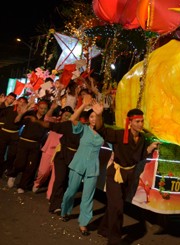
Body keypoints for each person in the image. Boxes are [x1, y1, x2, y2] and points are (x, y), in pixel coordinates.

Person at [97, 108, 160, 244]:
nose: (140, 124)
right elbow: (102, 130)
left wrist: (150, 148)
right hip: (115, 174)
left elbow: (139, 157)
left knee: (115, 206)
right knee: (118, 207)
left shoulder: (142, 138)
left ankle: (103, 228)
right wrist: (98, 114)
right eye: (137, 121)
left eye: (142, 121)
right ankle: (114, 240)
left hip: (129, 176)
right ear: (129, 122)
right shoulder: (119, 134)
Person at [58, 95, 104, 237]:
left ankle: (83, 223)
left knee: (88, 196)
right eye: (91, 116)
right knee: (71, 191)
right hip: (78, 164)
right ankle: (65, 210)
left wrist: (99, 113)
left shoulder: (103, 134)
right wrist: (83, 105)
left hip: (92, 167)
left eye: (96, 117)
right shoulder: (83, 129)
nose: (93, 119)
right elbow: (72, 119)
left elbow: (101, 124)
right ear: (88, 119)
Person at [7, 99, 49, 193]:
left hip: (36, 145)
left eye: (45, 109)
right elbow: (16, 121)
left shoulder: (46, 119)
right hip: (24, 142)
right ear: (37, 107)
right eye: (41, 108)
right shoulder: (30, 115)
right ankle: (13, 175)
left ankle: (22, 185)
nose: (43, 110)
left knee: (30, 166)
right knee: (20, 163)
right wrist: (22, 113)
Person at [32, 104, 74, 196]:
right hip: (48, 151)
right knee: (43, 172)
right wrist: (52, 108)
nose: (67, 117)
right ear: (61, 114)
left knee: (55, 177)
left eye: (69, 115)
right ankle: (37, 183)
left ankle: (50, 195)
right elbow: (46, 118)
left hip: (60, 154)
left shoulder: (71, 127)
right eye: (65, 114)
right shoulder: (55, 121)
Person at [0, 93, 26, 178]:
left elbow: (17, 121)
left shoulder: (25, 113)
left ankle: (7, 168)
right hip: (4, 133)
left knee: (12, 154)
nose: (21, 103)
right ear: (17, 101)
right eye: (20, 101)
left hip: (14, 134)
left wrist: (22, 113)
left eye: (23, 102)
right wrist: (1, 103)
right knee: (1, 153)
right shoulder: (10, 108)